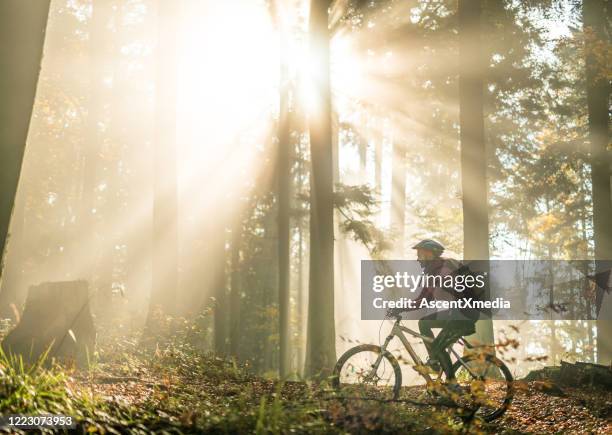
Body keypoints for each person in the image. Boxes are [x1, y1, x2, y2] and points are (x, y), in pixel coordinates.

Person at [391, 239, 478, 374]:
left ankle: (451, 384)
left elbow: (423, 300)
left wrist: (400, 308)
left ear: (429, 255)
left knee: (437, 347)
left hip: (463, 315)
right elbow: (425, 298)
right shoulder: (436, 269)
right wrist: (402, 307)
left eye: (420, 255)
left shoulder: (441, 270)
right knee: (424, 323)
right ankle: (435, 363)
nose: (418, 259)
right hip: (459, 312)